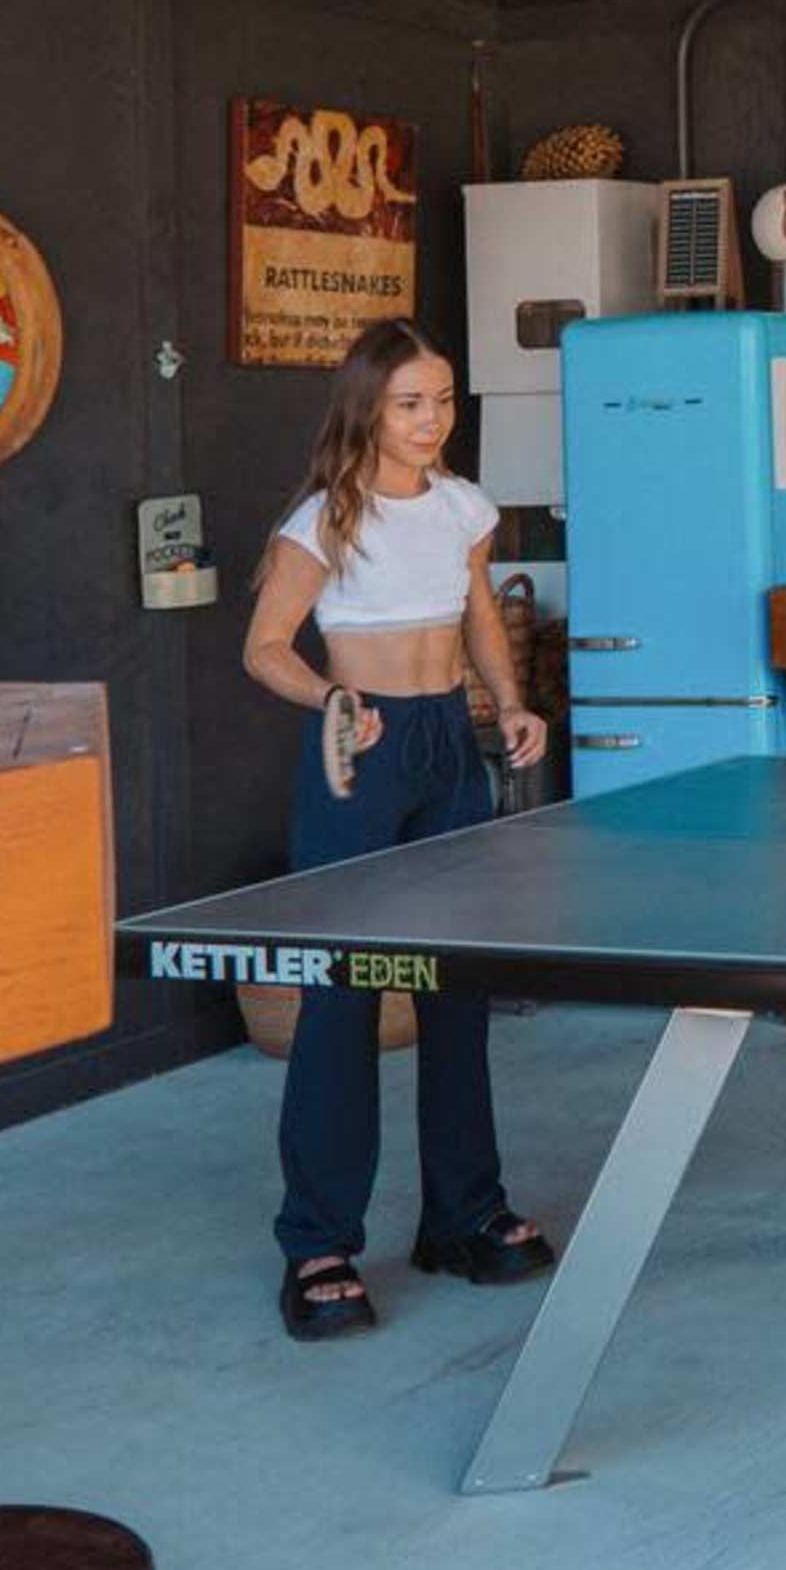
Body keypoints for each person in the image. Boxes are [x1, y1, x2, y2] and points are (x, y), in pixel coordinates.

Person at [239, 317, 554, 1342]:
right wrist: (330, 700)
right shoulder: (323, 519)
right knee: (343, 996)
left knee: (457, 983)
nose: (432, 419)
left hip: (446, 750)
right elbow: (265, 647)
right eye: (411, 401)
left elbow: (473, 615)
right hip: (360, 755)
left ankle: (462, 1215)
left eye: (445, 399)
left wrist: (507, 700)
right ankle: (318, 1241)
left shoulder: (464, 508)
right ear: (369, 407)